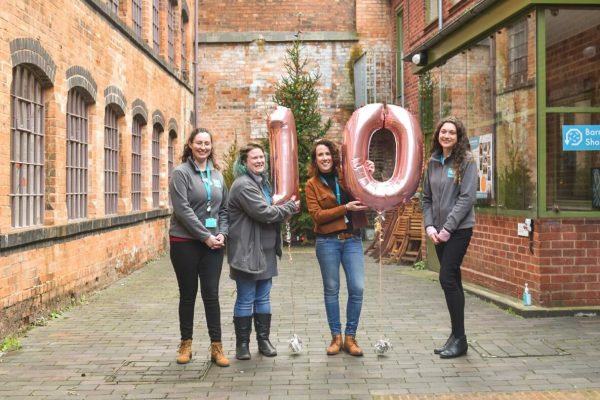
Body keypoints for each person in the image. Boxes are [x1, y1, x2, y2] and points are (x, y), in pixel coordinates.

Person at [227, 143, 299, 360]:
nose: (259, 161)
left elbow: (271, 210)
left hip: (266, 251)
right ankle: (242, 345)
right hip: (247, 251)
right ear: (244, 162)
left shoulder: (264, 184)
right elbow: (264, 212)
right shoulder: (243, 185)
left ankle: (263, 341)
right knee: (246, 298)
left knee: (263, 298)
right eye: (254, 158)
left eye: (261, 157)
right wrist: (289, 208)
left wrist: (281, 211)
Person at [305, 138, 373, 357]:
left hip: (352, 239)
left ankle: (350, 337)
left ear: (333, 156)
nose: (324, 158)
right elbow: (317, 215)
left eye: (327, 154)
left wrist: (368, 173)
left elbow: (367, 192)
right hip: (327, 242)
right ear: (315, 160)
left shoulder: (347, 176)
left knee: (357, 288)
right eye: (319, 155)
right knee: (331, 290)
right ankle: (336, 337)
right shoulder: (311, 184)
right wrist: (344, 208)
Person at [168, 128, 230, 367]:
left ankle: (217, 347)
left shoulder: (217, 175)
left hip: (213, 244)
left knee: (211, 294)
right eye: (199, 143)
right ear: (190, 145)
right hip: (184, 243)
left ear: (211, 146)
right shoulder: (181, 173)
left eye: (207, 143)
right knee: (188, 294)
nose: (203, 147)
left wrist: (222, 233)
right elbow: (182, 210)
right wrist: (205, 236)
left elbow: (223, 209)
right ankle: (186, 343)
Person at [422, 116, 477, 359]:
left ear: (458, 136)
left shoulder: (466, 161)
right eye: (443, 131)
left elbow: (467, 198)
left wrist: (447, 229)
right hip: (438, 232)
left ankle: (460, 338)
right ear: (437, 135)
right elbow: (426, 198)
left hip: (459, 230)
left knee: (447, 278)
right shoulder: (432, 162)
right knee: (453, 279)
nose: (446, 136)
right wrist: (430, 227)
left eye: (451, 133)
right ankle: (457, 336)